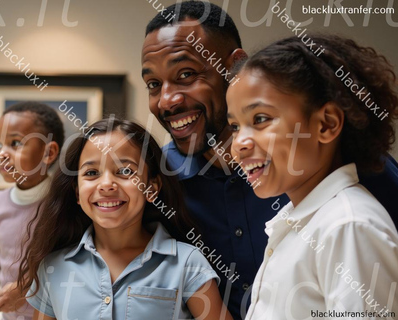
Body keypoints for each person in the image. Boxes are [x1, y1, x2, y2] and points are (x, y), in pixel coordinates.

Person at [141, 2, 398, 319]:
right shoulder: (155, 183)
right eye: (153, 84)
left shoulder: (357, 206)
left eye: (186, 74)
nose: (167, 100)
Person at [226, 34, 398, 319]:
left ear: (326, 124)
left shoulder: (348, 227)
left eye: (260, 119)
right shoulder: (302, 219)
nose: (239, 143)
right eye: (234, 126)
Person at [17, 118, 233, 320]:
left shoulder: (187, 263)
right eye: (92, 173)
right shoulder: (51, 267)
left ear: (151, 187)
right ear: (76, 193)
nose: (106, 184)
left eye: (124, 171)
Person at [0, 102, 64, 320]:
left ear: (48, 153)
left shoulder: (67, 204)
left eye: (15, 143)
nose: (2, 154)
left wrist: (27, 289)